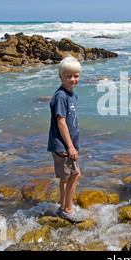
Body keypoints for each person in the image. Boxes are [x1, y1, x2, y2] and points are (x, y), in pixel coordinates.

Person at [47, 55, 85, 222]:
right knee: (75, 175)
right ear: (60, 76)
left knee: (66, 177)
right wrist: (70, 146)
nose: (72, 79)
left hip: (64, 144)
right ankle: (68, 210)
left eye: (76, 76)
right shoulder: (61, 96)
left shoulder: (72, 95)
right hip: (62, 144)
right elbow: (61, 122)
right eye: (68, 76)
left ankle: (63, 207)